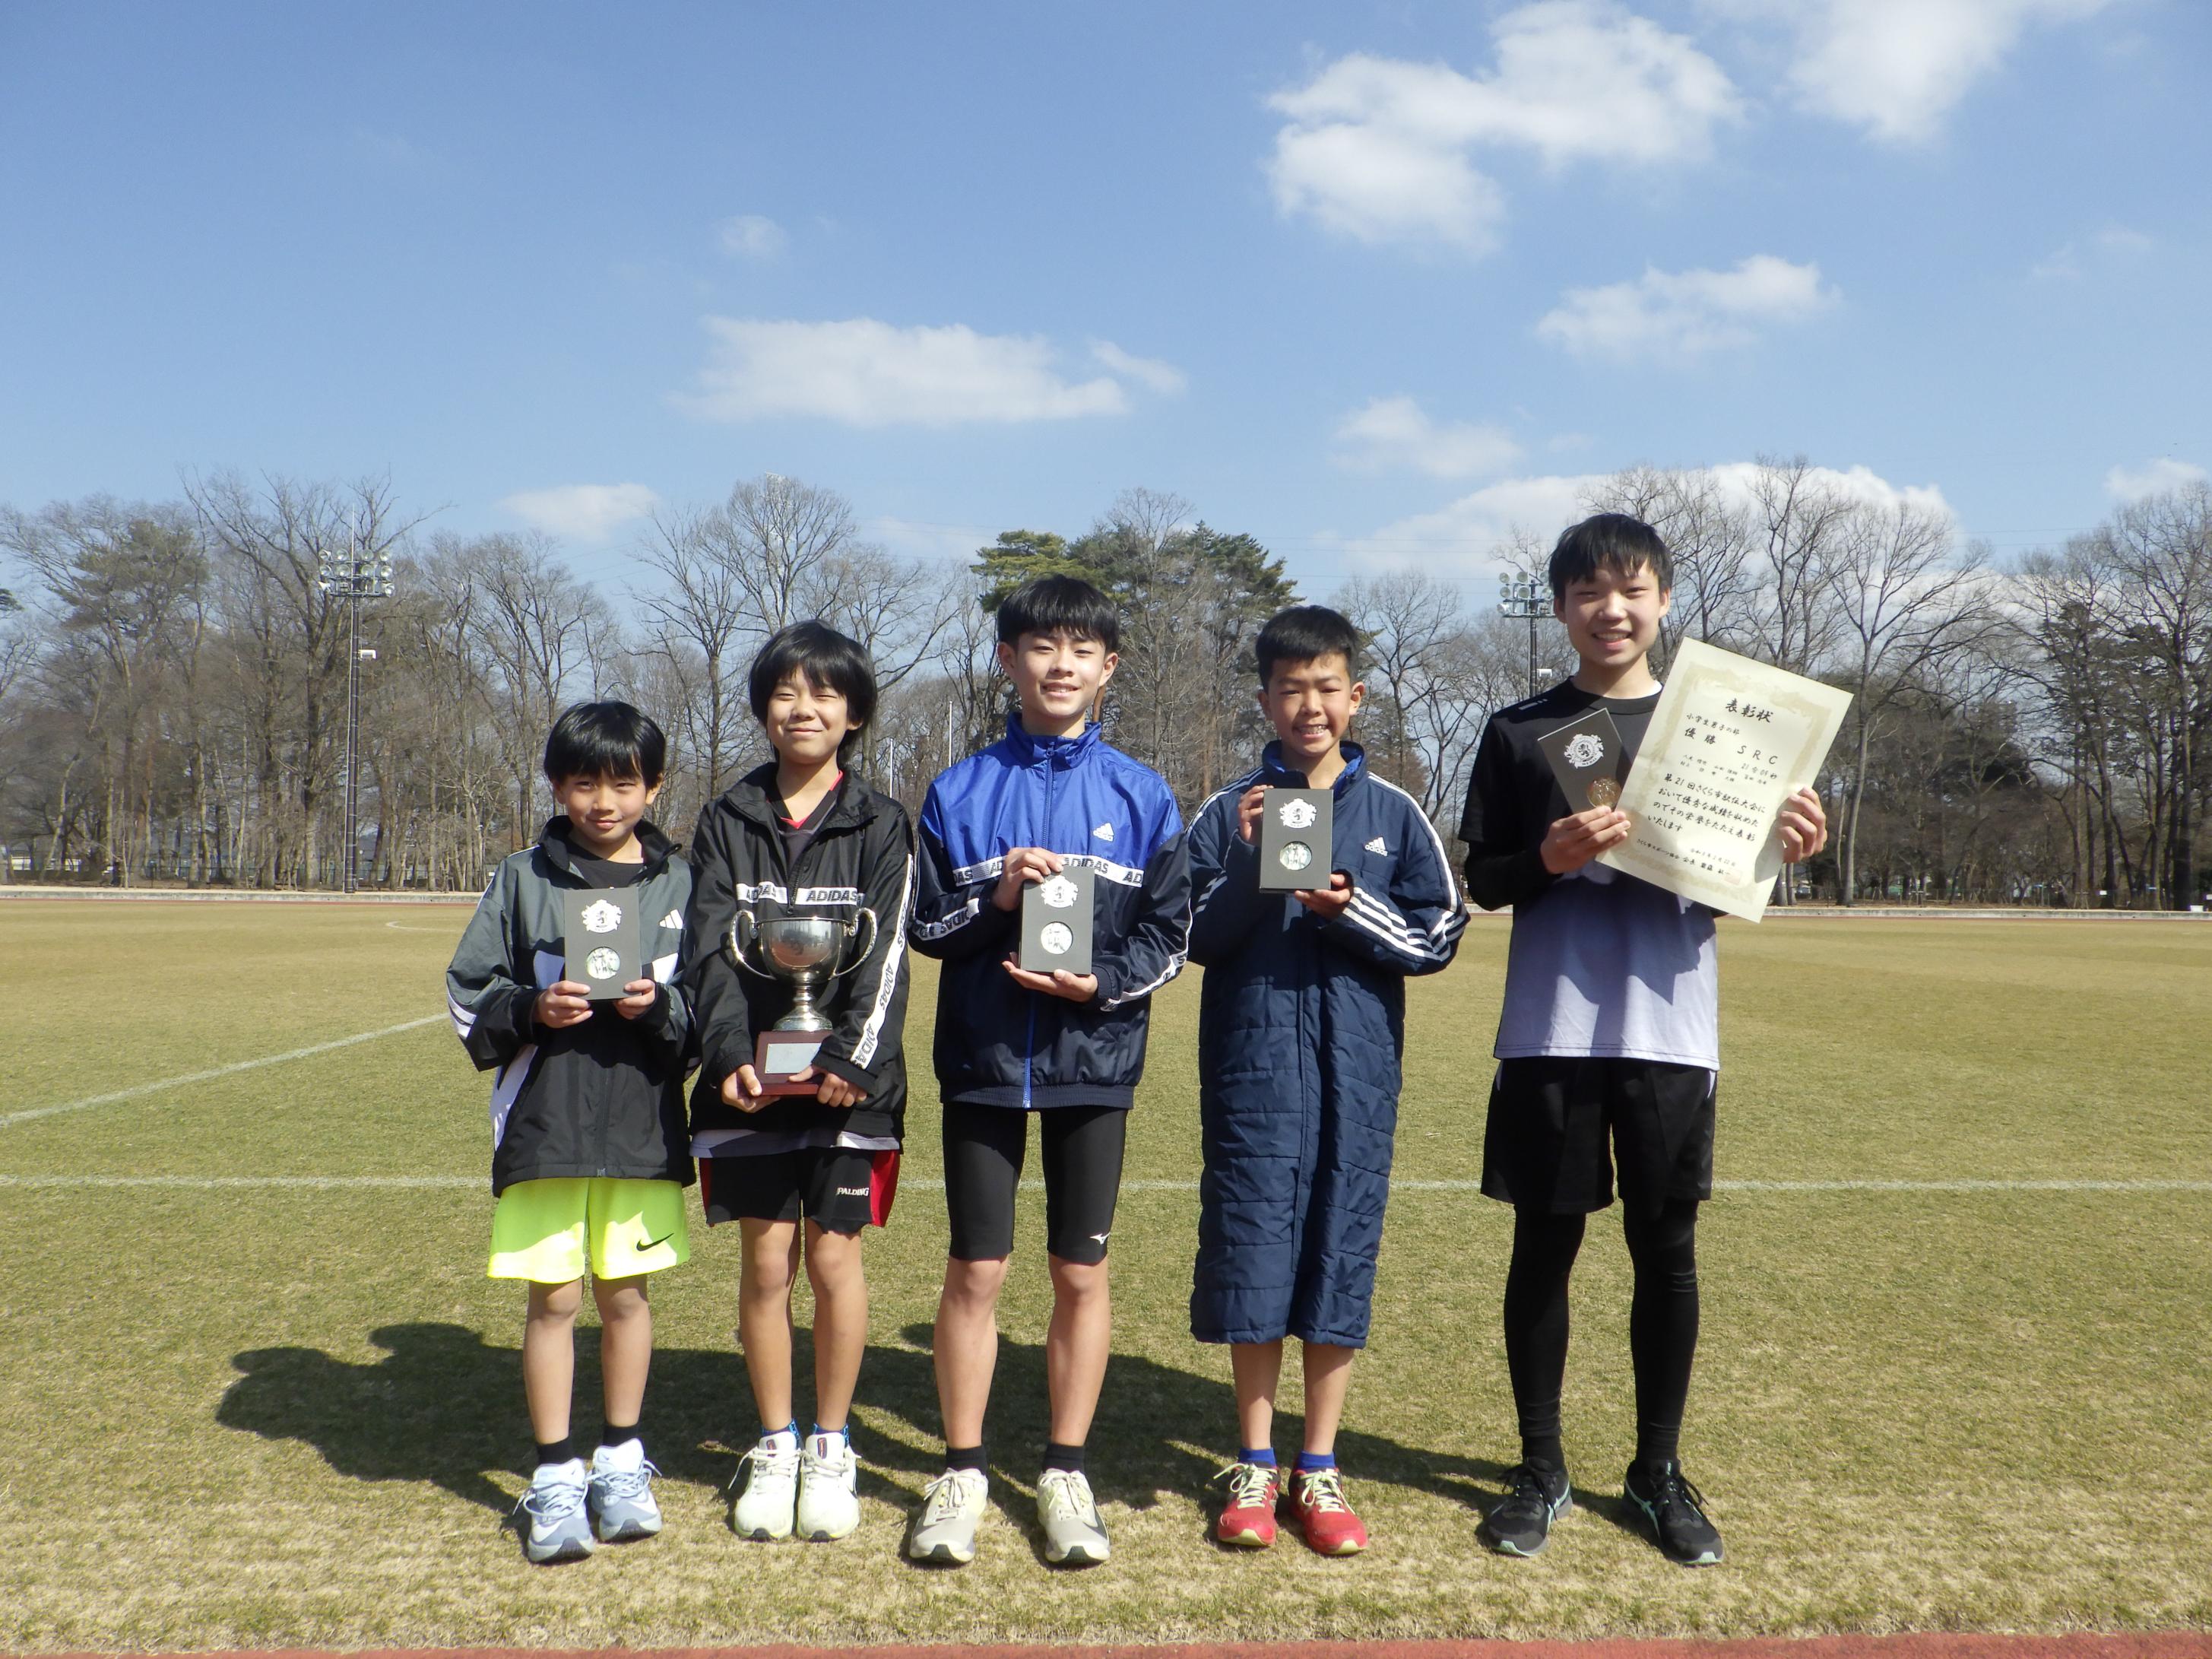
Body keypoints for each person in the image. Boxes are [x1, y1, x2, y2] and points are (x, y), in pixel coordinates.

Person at [1458, 514, 1828, 1566]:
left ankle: (1656, 1470)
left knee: (1665, 1253)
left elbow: (1737, 876)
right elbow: (1485, 878)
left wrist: (1790, 843)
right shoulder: (1520, 729)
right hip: (1550, 1029)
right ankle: (1540, 1467)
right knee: (1544, 1248)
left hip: (1670, 1032)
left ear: (1664, 600)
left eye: (1630, 590)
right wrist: (1547, 857)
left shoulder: (1723, 731)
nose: (1609, 610)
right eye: (1588, 591)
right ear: (1559, 606)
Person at [903, 574, 1191, 1568]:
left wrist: (1098, 984)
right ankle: (962, 1469)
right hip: (982, 1060)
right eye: (1041, 645)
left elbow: (1169, 934)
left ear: (1109, 667)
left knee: (1079, 1269)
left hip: (1093, 1060)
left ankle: (1066, 1470)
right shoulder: (958, 790)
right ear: (1007, 660)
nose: (1060, 664)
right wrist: (995, 902)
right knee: (977, 1267)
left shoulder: (1143, 793)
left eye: (1081, 649)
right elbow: (924, 926)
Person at [1186, 604, 1465, 1556]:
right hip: (1253, 1071)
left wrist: (1349, 910)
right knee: (1255, 1251)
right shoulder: (1228, 810)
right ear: (1265, 699)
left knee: (1339, 1252)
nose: (1310, 706)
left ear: (1356, 695)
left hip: (1358, 1073)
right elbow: (1189, 937)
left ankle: (1319, 1463)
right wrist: (1245, 865)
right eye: (1290, 688)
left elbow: (1439, 936)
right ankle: (1255, 1464)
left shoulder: (1394, 812)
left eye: (1327, 687)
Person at [444, 701, 694, 1565]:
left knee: (626, 1296)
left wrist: (659, 1008)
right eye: (584, 782)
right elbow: (467, 991)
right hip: (545, 1126)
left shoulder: (680, 882)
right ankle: (555, 1474)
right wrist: (530, 1008)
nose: (603, 801)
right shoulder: (522, 877)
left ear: (654, 787)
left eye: (624, 782)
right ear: (556, 786)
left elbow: (708, 1010)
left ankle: (620, 1462)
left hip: (641, 1127)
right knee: (552, 1300)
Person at [682, 620, 914, 1544]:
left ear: (854, 713)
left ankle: (830, 1444)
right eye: (785, 691)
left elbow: (887, 957)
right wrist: (726, 1053)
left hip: (848, 1085)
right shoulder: (726, 819)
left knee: (833, 1259)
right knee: (767, 1259)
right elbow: (708, 952)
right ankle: (775, 1443)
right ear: (762, 708)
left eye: (823, 693)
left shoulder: (882, 822)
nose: (803, 708)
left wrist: (852, 1059)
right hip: (748, 1081)